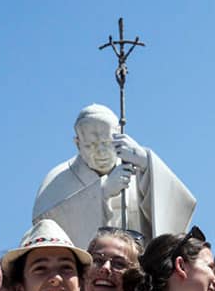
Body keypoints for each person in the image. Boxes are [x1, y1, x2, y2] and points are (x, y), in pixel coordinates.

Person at [32, 103, 196, 245]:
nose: (101, 152)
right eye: (90, 146)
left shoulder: (137, 167)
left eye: (106, 143)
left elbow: (177, 213)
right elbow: (45, 226)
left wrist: (147, 163)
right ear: (77, 144)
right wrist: (102, 191)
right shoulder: (58, 178)